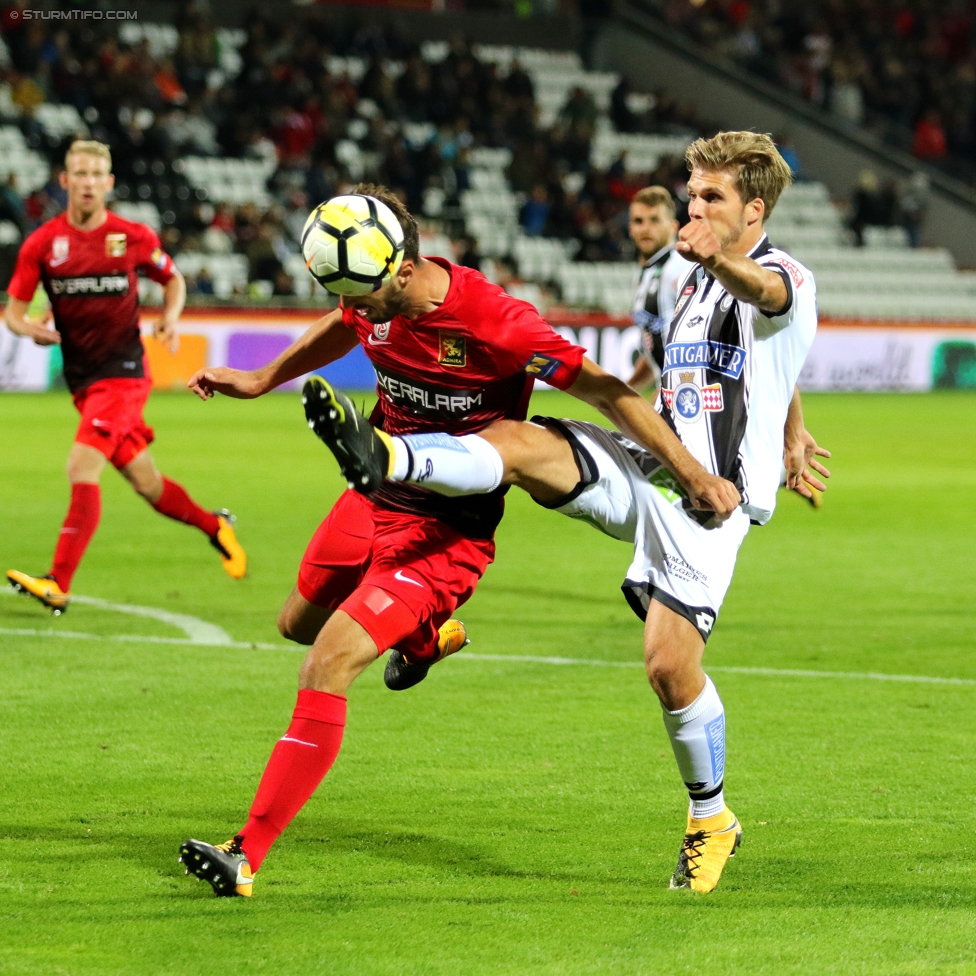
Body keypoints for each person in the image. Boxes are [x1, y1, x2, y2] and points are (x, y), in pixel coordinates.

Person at [177, 182, 741, 898]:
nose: (358, 312)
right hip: (371, 493)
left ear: (405, 270)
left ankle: (244, 854)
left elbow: (602, 388)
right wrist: (261, 379)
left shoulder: (495, 322)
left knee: (327, 663)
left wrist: (693, 474)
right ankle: (423, 638)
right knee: (296, 623)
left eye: (368, 299)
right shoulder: (369, 289)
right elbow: (342, 321)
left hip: (446, 530)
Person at [302, 133, 826, 894]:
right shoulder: (689, 278)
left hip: (711, 498)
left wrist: (713, 260)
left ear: (755, 208)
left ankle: (711, 818)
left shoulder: (782, 274)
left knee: (669, 668)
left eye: (713, 199)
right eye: (693, 196)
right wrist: (793, 422)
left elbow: (771, 304)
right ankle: (387, 457)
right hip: (654, 458)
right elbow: (767, 357)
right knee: (514, 441)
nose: (696, 210)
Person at [4, 140, 246, 615]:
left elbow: (173, 279)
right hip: (83, 381)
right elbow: (13, 313)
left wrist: (172, 316)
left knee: (81, 466)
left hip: (124, 376)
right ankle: (214, 526)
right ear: (65, 181)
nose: (89, 182)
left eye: (97, 174)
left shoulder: (130, 236)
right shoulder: (42, 244)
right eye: (80, 173)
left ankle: (58, 581)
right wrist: (28, 328)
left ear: (110, 183)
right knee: (147, 483)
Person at [625, 186, 697, 392]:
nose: (645, 228)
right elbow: (656, 348)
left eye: (654, 220)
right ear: (630, 228)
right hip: (671, 394)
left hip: (688, 396)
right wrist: (622, 393)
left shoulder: (680, 268)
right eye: (639, 221)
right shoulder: (647, 272)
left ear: (673, 227)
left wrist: (672, 391)